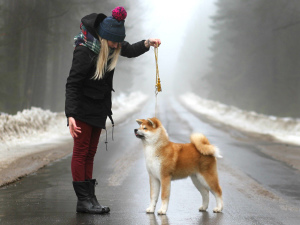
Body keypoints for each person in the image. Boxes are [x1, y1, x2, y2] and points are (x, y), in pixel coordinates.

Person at [65, 6, 161, 214]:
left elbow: (130, 50)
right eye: (114, 42)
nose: (118, 46)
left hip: (99, 108)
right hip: (82, 109)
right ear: (104, 38)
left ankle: (90, 198)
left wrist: (147, 43)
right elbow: (72, 83)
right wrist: (71, 114)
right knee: (81, 152)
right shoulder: (84, 51)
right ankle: (83, 200)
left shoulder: (113, 43)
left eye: (119, 42)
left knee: (91, 153)